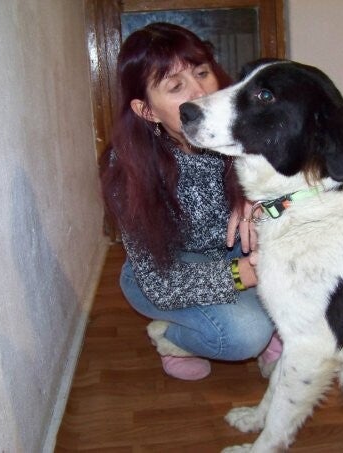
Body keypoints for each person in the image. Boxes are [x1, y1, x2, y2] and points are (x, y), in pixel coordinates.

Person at [99, 22, 281, 381]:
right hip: (169, 270)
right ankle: (172, 338)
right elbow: (160, 282)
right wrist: (244, 274)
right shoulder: (127, 168)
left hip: (234, 250)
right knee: (246, 334)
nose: (201, 92)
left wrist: (260, 196)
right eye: (175, 86)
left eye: (202, 73)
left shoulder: (244, 127)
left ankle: (271, 326)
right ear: (147, 111)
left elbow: (301, 198)